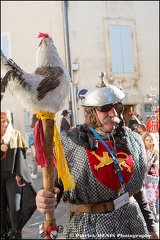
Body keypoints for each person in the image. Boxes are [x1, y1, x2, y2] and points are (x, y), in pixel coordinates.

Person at [36, 73, 157, 239]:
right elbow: (57, 186)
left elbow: (138, 189)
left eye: (117, 106)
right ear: (91, 112)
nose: (113, 112)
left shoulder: (133, 140)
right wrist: (45, 197)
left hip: (131, 222)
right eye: (105, 108)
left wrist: (151, 227)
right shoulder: (72, 143)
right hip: (89, 227)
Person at [0, 110, 37, 239]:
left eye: (5, 121)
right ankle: (3, 233)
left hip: (12, 176)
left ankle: (16, 231)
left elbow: (21, 156)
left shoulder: (15, 135)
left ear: (9, 122)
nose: (3, 124)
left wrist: (19, 173)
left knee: (15, 208)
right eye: (1, 122)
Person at [142, 132, 159, 223]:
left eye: (150, 140)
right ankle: (148, 217)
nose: (148, 142)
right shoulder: (142, 151)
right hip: (143, 177)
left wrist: (156, 164)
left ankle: (154, 216)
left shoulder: (155, 152)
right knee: (144, 197)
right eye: (147, 140)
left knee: (151, 197)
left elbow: (157, 162)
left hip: (152, 176)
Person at [28, 114, 38, 179]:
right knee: (34, 159)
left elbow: (35, 135)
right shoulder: (35, 123)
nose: (29, 115)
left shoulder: (36, 124)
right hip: (33, 143)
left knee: (34, 159)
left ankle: (34, 173)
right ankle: (34, 172)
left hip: (34, 143)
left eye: (30, 114)